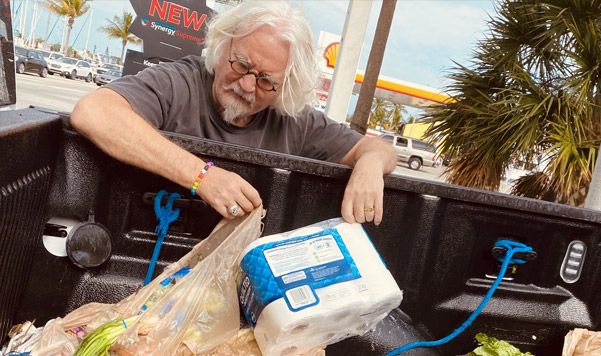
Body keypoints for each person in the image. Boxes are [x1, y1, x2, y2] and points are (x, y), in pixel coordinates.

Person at [70, 0, 395, 225]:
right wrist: (203, 177)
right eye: (241, 64)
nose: (248, 86)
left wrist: (369, 163)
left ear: (286, 87)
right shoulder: (180, 82)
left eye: (267, 80)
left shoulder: (297, 121)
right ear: (223, 44)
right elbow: (95, 112)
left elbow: (378, 150)